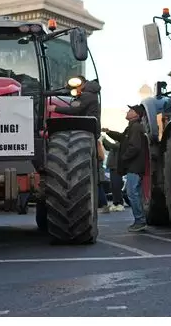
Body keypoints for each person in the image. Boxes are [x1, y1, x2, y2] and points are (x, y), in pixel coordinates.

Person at [49, 77, 110, 213]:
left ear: (81, 83)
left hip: (86, 128)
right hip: (87, 130)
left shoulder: (88, 95)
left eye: (75, 85)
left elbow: (76, 110)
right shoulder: (88, 93)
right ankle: (101, 203)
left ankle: (101, 203)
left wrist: (55, 108)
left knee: (88, 170)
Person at [103, 104, 147, 232]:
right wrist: (109, 132)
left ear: (136, 115)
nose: (128, 111)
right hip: (134, 166)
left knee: (132, 193)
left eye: (130, 110)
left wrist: (123, 158)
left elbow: (134, 147)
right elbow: (122, 138)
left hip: (135, 166)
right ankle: (140, 220)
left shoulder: (135, 128)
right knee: (134, 193)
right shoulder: (131, 128)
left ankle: (140, 221)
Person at [101, 136, 125, 212]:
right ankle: (115, 203)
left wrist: (104, 138)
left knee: (116, 186)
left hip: (116, 168)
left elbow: (112, 146)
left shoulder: (120, 144)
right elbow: (108, 147)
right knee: (113, 187)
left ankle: (120, 203)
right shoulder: (116, 145)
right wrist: (104, 142)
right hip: (113, 168)